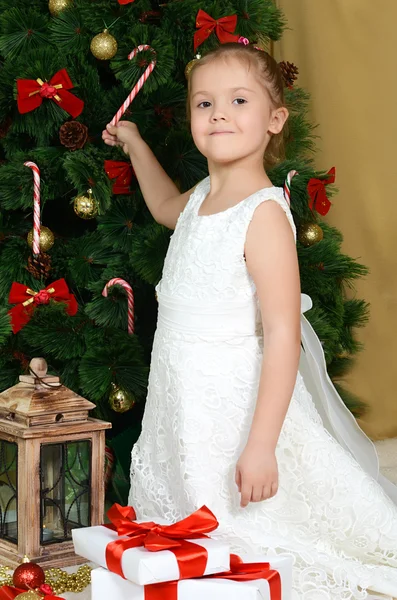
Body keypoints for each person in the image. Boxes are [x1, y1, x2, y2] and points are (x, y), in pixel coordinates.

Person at [103, 42, 397, 600]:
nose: (218, 114)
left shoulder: (261, 214)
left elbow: (284, 334)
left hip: (235, 406)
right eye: (204, 103)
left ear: (273, 120)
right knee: (185, 507)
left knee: (252, 528)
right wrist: (137, 143)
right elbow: (166, 207)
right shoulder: (202, 198)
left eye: (239, 101)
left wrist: (261, 444)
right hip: (184, 396)